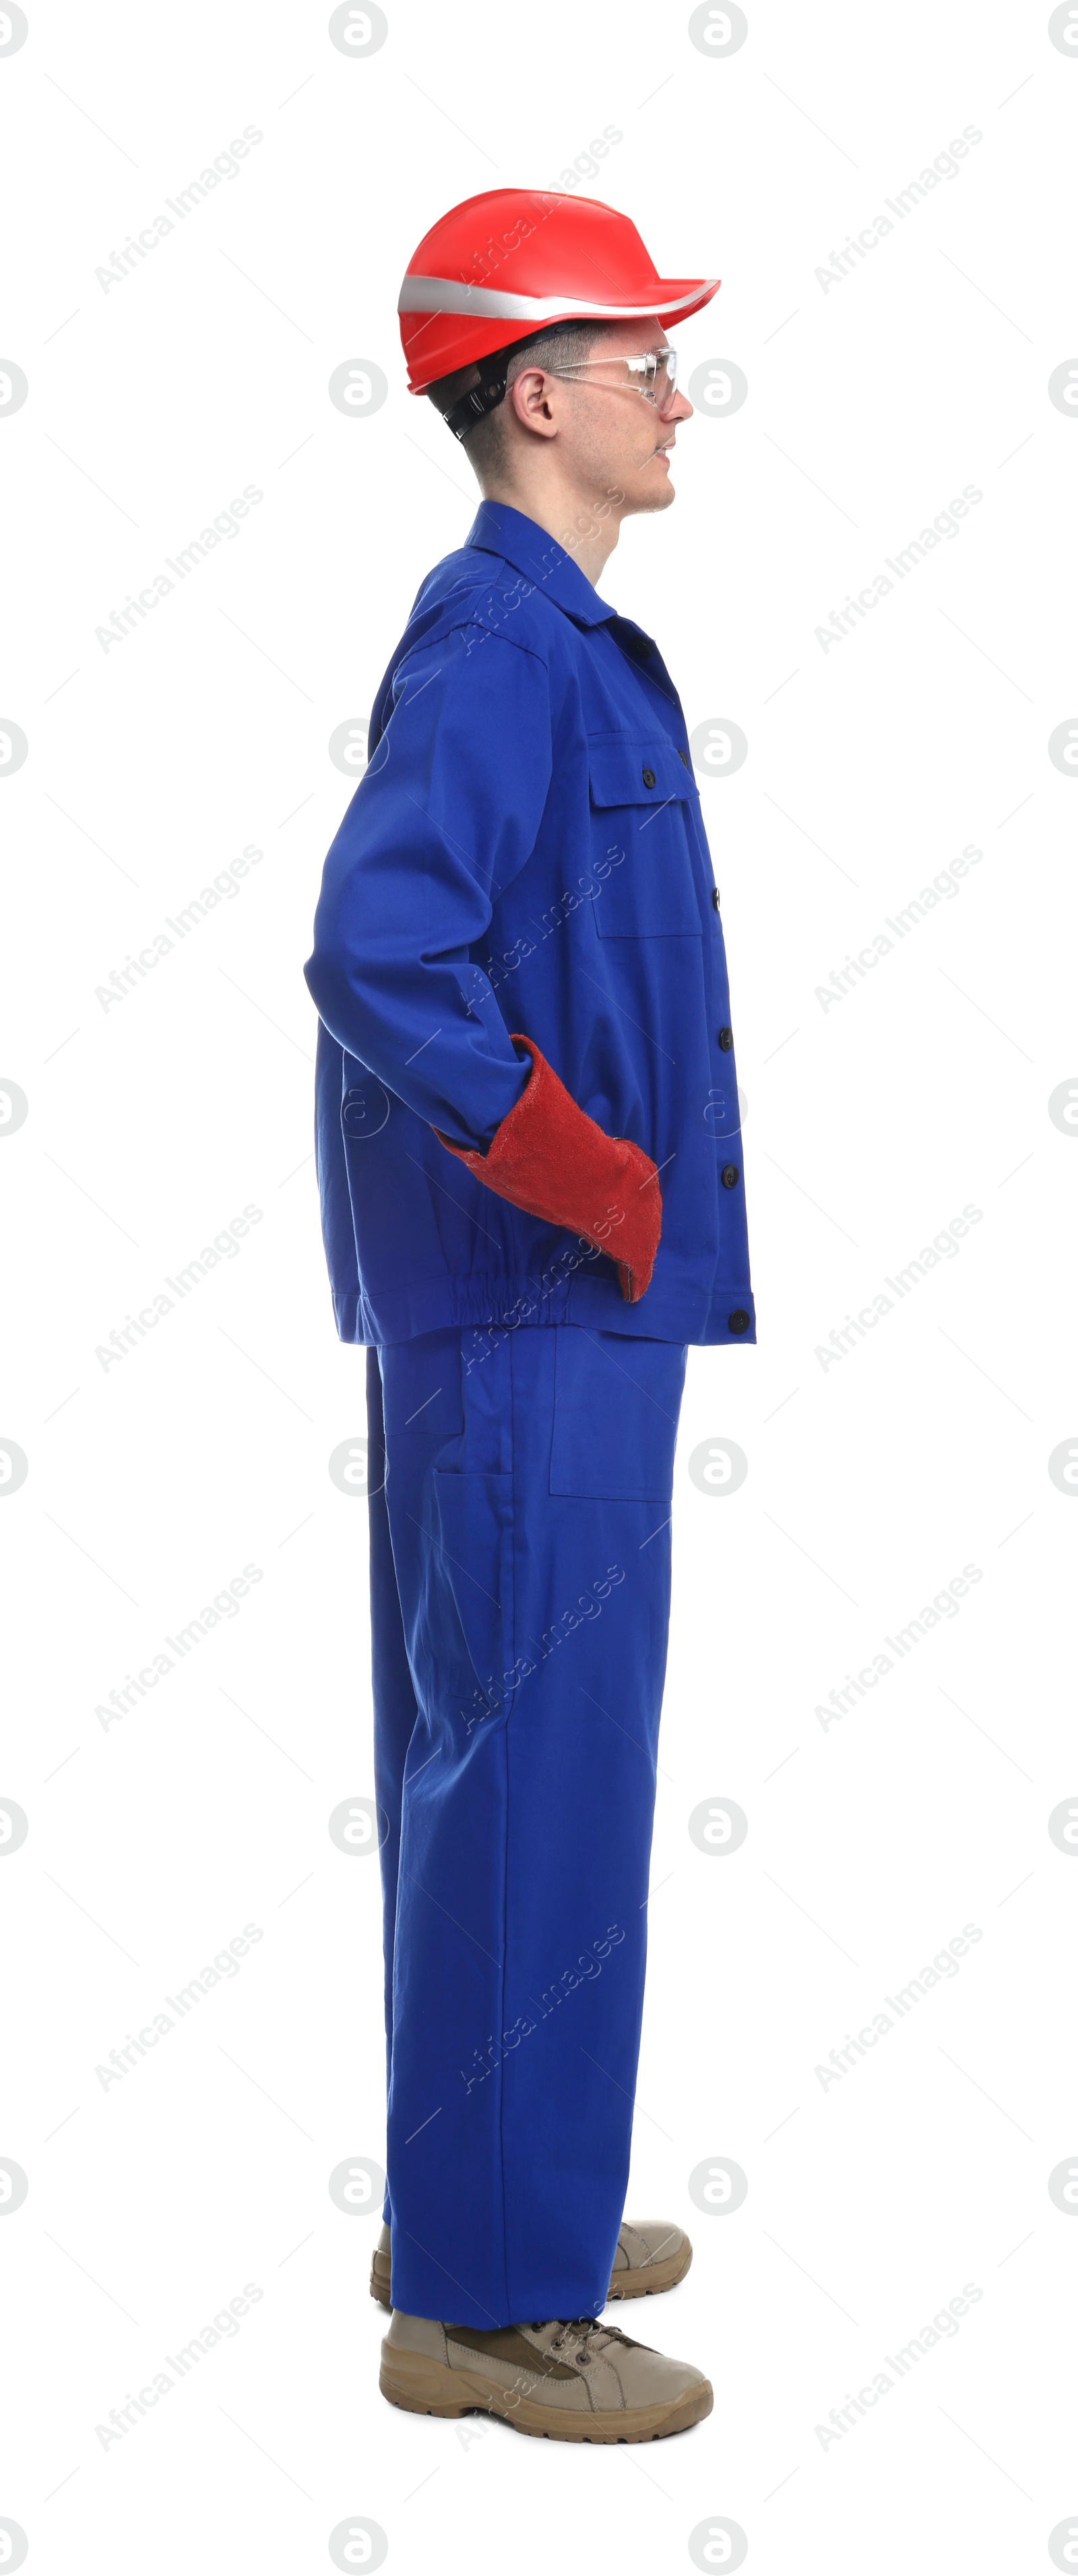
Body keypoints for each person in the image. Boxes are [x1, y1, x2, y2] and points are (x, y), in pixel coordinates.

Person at [303, 186, 755, 2443]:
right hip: (529, 1293)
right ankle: (487, 2311)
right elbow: (383, 946)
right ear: (538, 391)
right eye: (644, 357)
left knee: (499, 1768)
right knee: (535, 1777)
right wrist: (591, 1175)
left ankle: (499, 2197)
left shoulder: (555, 637)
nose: (678, 393)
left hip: (544, 1301)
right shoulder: (498, 642)